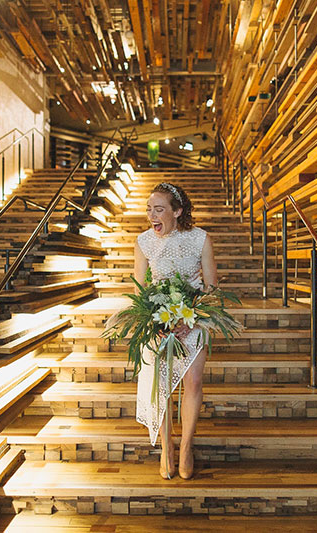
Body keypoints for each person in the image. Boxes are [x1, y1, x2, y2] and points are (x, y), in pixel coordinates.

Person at [133, 182, 218, 480]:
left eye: (158, 209)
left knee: (193, 381)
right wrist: (155, 321)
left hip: (195, 319)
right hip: (158, 323)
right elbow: (140, 289)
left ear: (177, 211)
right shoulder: (143, 241)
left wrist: (189, 316)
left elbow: (211, 288)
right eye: (148, 210)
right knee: (163, 387)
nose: (151, 215)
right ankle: (167, 447)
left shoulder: (200, 239)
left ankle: (186, 446)